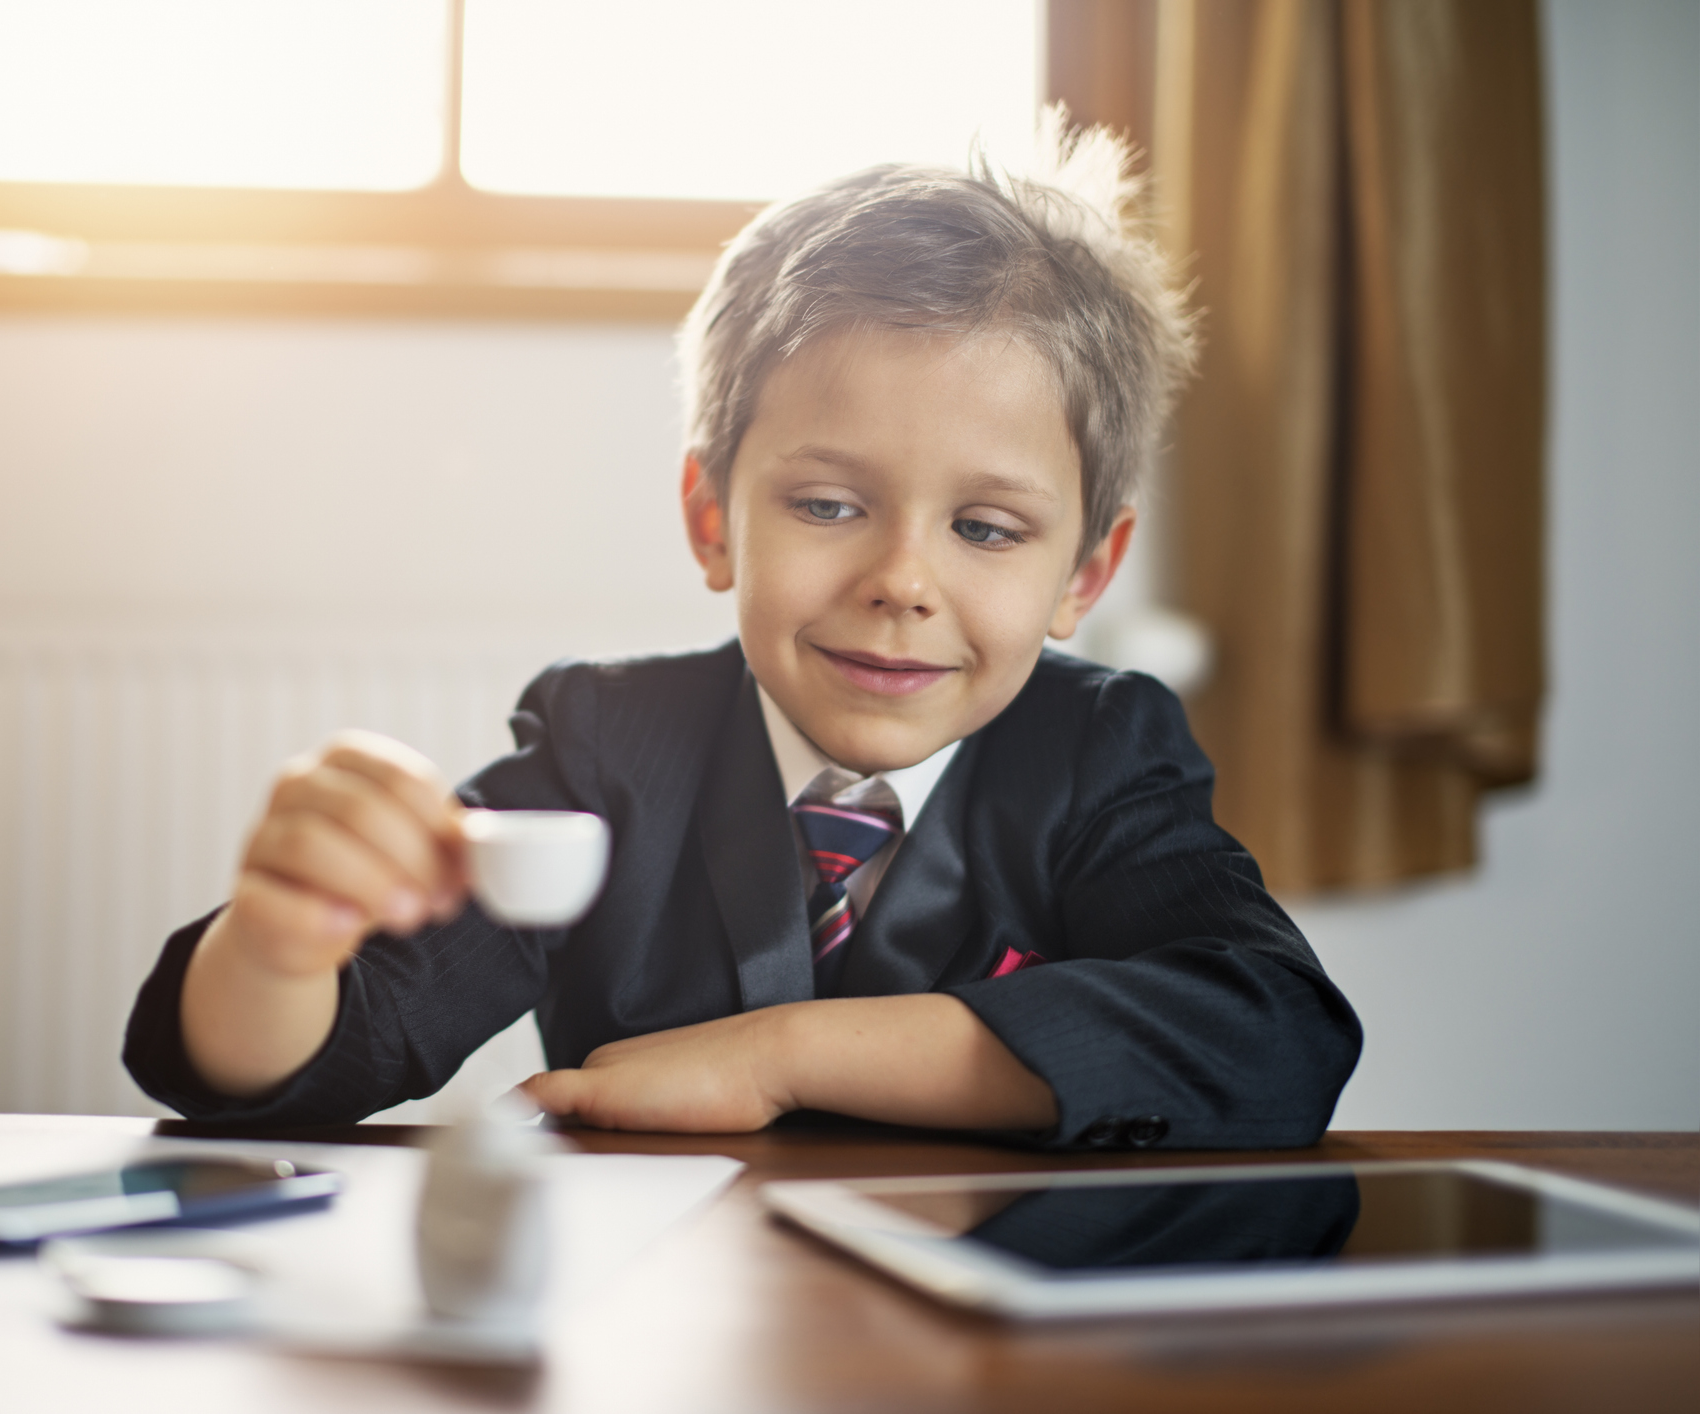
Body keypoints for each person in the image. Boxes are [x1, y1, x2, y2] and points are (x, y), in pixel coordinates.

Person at [123, 126, 1362, 1149]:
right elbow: (304, 1063)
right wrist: (281, 945)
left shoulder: (1100, 753)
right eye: (828, 506)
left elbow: (1270, 1033)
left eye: (986, 529)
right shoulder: (608, 748)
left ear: (1082, 574)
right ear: (714, 520)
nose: (900, 582)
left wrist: (777, 1055)